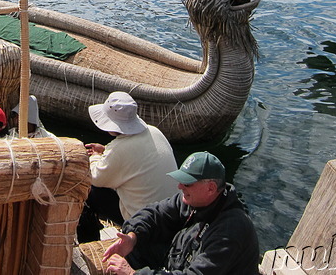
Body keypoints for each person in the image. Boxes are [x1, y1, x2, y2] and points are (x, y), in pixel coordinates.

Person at [102, 151, 260, 275]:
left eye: (187, 183)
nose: (179, 186)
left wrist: (132, 274)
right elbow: (156, 213)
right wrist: (132, 237)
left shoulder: (230, 232)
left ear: (211, 188)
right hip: (177, 258)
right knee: (134, 248)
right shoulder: (195, 200)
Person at [78, 92, 178, 243]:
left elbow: (96, 177)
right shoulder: (154, 131)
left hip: (143, 221)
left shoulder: (119, 148)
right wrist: (105, 150)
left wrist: (94, 157)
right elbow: (134, 158)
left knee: (88, 190)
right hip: (171, 214)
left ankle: (90, 243)